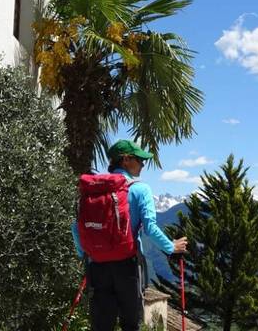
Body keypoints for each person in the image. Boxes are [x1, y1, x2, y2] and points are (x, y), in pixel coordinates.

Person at [72, 139, 188, 331]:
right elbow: (150, 228)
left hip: (97, 266)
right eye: (139, 159)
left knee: (101, 325)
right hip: (127, 266)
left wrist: (86, 252)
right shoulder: (140, 189)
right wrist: (171, 247)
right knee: (130, 324)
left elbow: (76, 228)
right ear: (125, 160)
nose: (143, 164)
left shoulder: (93, 190)